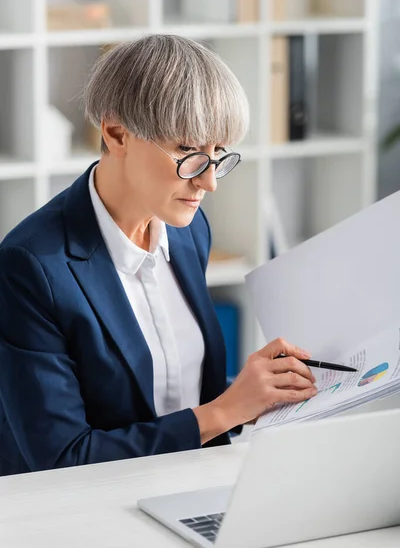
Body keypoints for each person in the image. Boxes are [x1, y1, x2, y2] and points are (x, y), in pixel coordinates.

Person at [0, 34, 317, 476]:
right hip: (80, 514)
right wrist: (228, 410)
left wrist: (260, 391)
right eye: (189, 151)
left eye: (218, 153)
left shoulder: (187, 231)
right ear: (116, 134)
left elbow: (167, 393)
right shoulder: (30, 267)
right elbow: (63, 458)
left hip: (188, 482)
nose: (209, 184)